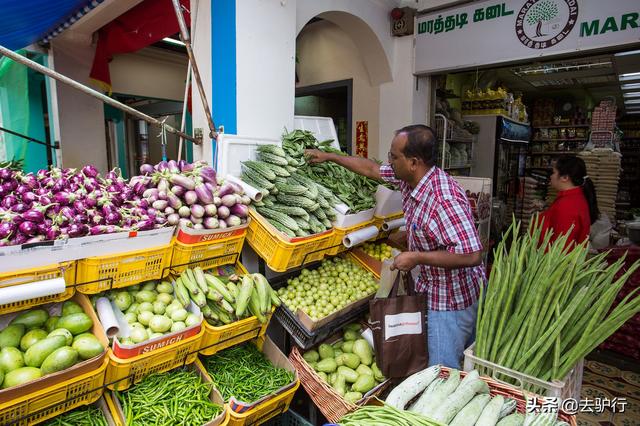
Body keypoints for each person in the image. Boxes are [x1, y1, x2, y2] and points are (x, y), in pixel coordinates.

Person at [306, 124, 485, 369]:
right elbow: (370, 169)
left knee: (442, 373)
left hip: (451, 303)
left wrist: (417, 257)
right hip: (431, 290)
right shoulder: (409, 178)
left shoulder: (443, 198)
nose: (389, 160)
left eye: (393, 156)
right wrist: (329, 156)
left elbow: (472, 254)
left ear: (413, 162)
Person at [537, 155, 599, 248]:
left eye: (553, 172)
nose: (551, 176)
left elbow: (561, 246)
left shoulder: (567, 205)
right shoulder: (575, 198)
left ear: (565, 177)